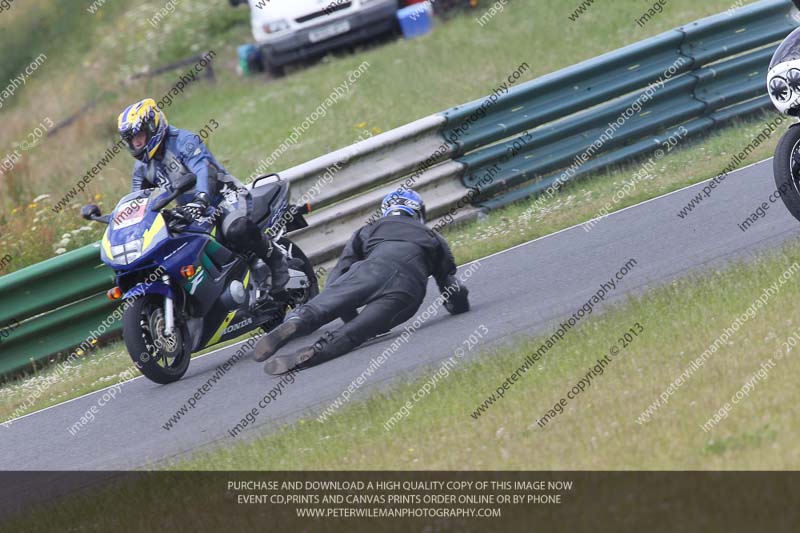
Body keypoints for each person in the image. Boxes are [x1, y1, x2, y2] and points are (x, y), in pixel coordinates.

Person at [253, 189, 470, 375]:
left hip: (369, 271)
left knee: (320, 306)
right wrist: (460, 306)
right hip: (407, 291)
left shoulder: (367, 230)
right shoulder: (433, 237)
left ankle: (298, 321)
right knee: (355, 333)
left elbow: (336, 278)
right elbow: (453, 290)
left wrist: (348, 314)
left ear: (386, 210)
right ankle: (317, 351)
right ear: (419, 212)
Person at [117, 98, 288, 300]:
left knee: (236, 229)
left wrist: (202, 198)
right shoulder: (142, 168)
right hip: (192, 209)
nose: (136, 143)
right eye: (132, 139)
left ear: (153, 127)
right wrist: (124, 222)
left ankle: (276, 261)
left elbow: (203, 170)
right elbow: (139, 200)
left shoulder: (184, 141)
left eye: (140, 136)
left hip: (225, 197)